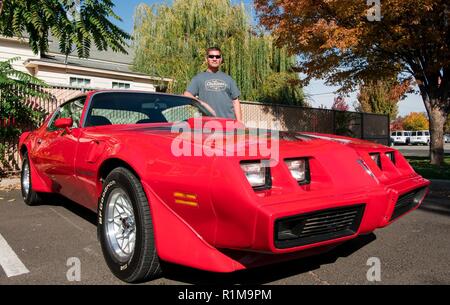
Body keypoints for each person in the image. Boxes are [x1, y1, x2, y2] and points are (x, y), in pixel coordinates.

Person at [184, 47, 242, 121]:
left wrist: (239, 122)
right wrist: (201, 103)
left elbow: (235, 101)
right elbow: (187, 94)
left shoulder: (229, 79)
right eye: (211, 56)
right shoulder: (198, 78)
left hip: (228, 123)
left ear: (220, 59)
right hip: (207, 123)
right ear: (206, 59)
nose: (214, 59)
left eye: (217, 57)